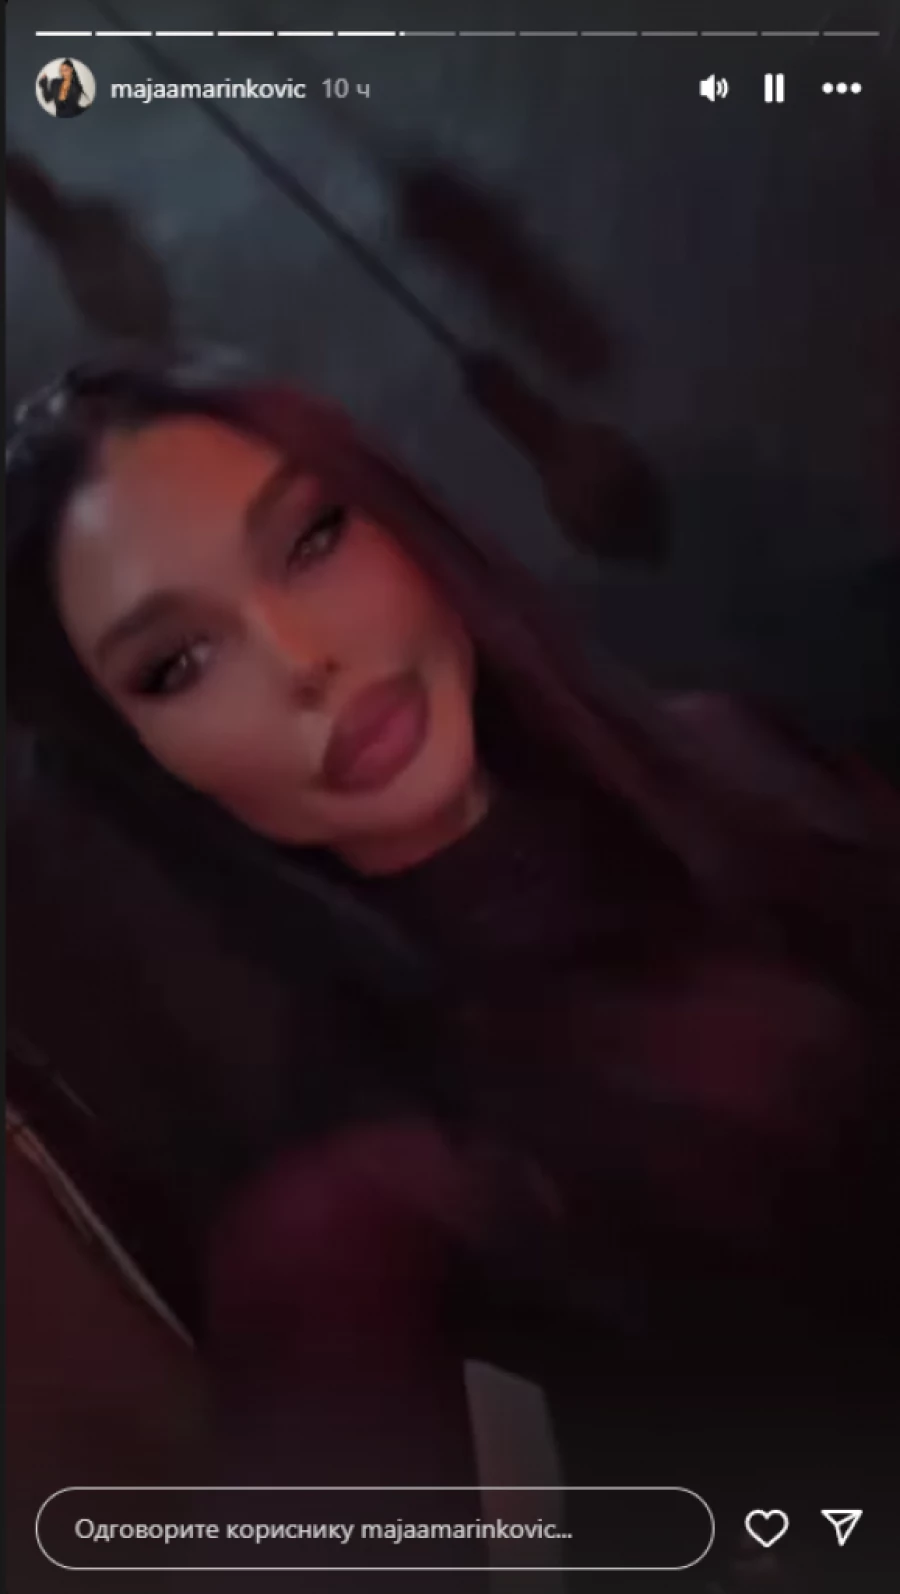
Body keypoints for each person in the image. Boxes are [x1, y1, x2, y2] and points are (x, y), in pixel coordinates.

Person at [7, 357, 899, 1589]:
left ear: (399, 517)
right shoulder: (347, 1217)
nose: (301, 655)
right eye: (178, 662)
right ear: (145, 762)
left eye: (311, 538)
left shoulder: (727, 752)